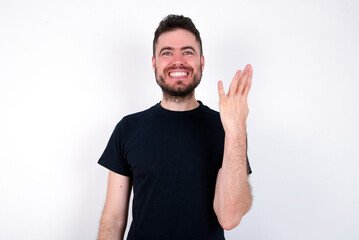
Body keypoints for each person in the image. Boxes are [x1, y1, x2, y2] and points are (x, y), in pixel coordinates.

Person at [97, 14, 253, 240]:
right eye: (167, 52)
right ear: (154, 63)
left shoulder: (226, 128)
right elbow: (113, 218)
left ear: (202, 62)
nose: (177, 61)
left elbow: (230, 217)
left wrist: (236, 129)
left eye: (188, 52)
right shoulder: (128, 128)